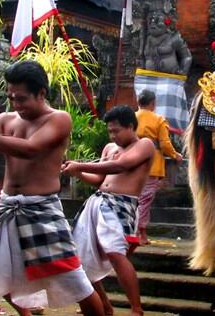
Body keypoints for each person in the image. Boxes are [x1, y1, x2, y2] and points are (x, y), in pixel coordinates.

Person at [0, 61, 103, 316]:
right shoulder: (5, 119)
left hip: (41, 209)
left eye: (22, 99)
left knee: (75, 281)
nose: (16, 104)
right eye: (11, 97)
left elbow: (31, 149)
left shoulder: (58, 119)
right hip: (5, 206)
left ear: (41, 93)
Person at [62, 105, 155, 316]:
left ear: (130, 126)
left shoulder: (145, 145)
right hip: (97, 204)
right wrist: (76, 172)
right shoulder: (109, 148)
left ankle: (136, 309)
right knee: (81, 258)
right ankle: (104, 304)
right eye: (110, 131)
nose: (112, 136)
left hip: (121, 206)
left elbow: (121, 166)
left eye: (116, 131)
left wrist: (81, 165)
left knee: (115, 253)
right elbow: (98, 181)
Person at [135, 89, 183, 245]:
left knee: (137, 199)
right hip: (151, 164)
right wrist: (175, 155)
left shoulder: (132, 118)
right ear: (153, 103)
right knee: (145, 201)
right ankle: (138, 232)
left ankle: (139, 232)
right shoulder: (158, 120)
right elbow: (164, 143)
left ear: (138, 102)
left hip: (132, 163)